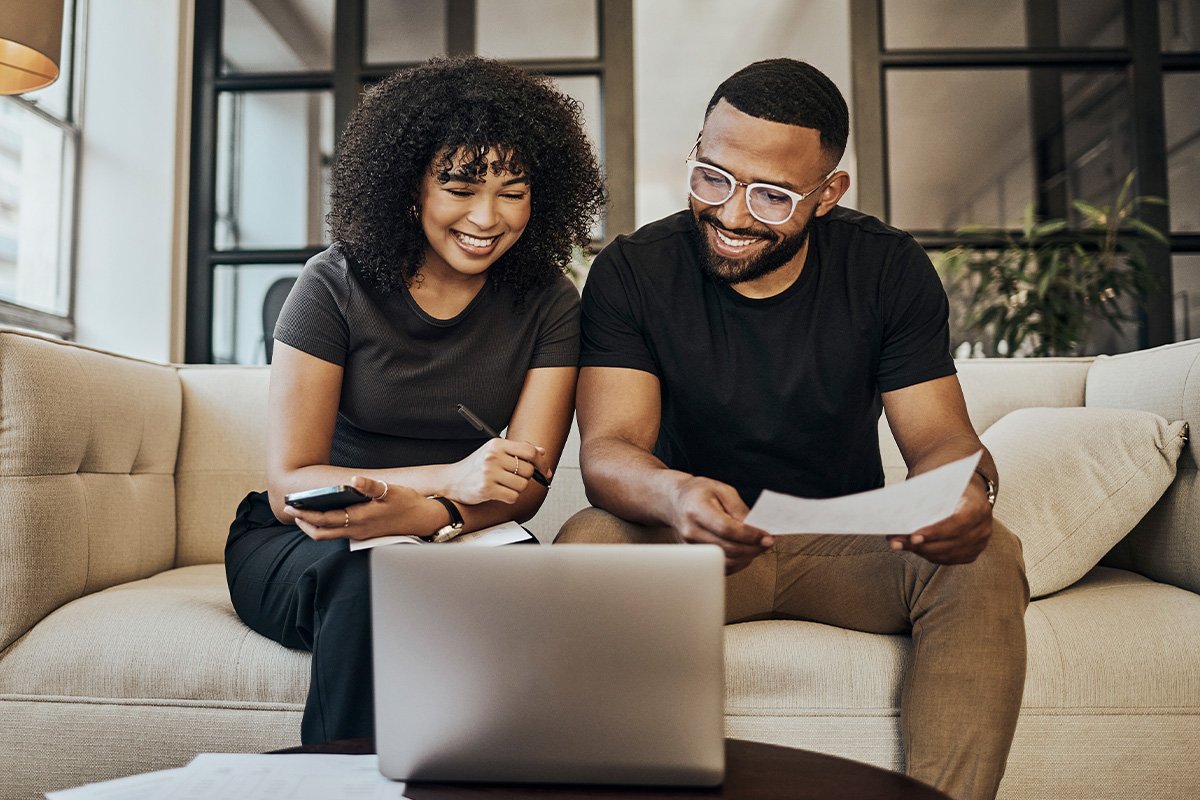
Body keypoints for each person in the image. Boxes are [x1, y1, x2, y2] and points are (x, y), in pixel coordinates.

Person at [556, 59, 1027, 800]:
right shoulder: (634, 271)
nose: (734, 215)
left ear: (828, 192)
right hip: (692, 544)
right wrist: (676, 495)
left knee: (988, 554)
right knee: (588, 540)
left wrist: (965, 489)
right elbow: (610, 450)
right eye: (713, 177)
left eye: (773, 196)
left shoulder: (887, 268)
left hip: (846, 545)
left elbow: (940, 438)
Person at [225, 56, 605, 745]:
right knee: (382, 579)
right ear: (410, 190)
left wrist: (433, 514)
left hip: (465, 531)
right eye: (459, 187)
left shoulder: (549, 300)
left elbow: (523, 488)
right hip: (313, 539)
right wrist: (447, 480)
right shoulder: (332, 286)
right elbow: (292, 485)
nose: (487, 218)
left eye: (513, 191)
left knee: (533, 599)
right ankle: (341, 791)